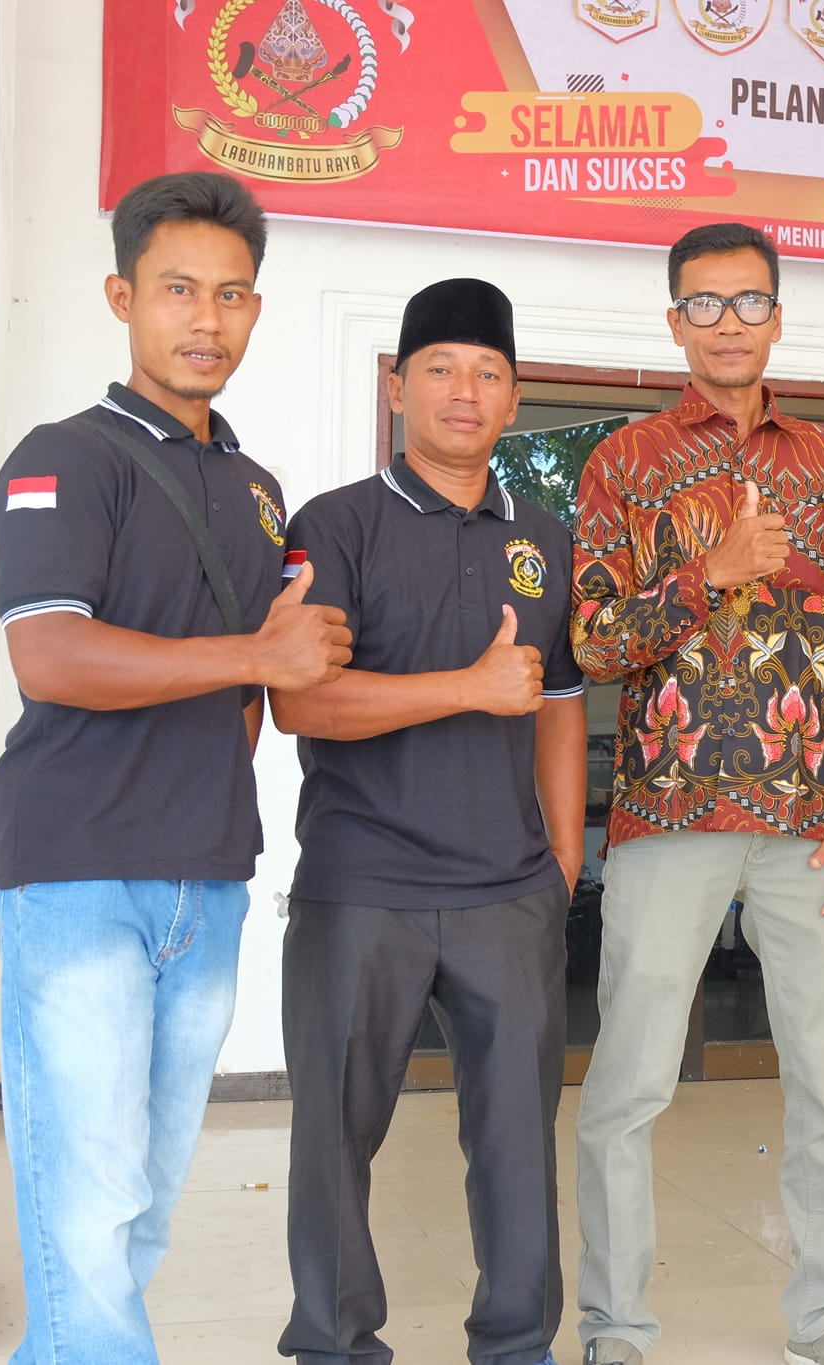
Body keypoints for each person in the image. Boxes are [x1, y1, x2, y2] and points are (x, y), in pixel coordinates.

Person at [0, 170, 352, 1365]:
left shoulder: (255, 489)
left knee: (136, 1203)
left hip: (207, 872)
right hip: (79, 869)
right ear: (122, 297)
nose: (207, 319)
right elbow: (49, 655)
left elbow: (249, 695)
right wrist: (258, 654)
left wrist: (262, 678)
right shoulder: (63, 457)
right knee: (88, 1200)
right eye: (179, 290)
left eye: (232, 295)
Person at [568, 222, 824, 1365]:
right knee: (628, 1085)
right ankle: (615, 1324)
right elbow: (593, 643)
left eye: (747, 301)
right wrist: (707, 576)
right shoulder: (624, 462)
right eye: (703, 303)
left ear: (776, 317)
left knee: (823, 1083)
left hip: (810, 825)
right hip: (666, 816)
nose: (727, 323)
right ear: (674, 322)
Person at [268, 279, 586, 1365]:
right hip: (363, 887)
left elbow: (557, 701)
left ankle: (516, 1345)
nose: (465, 390)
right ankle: (333, 1345)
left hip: (507, 892)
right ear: (397, 388)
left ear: (513, 399)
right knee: (333, 1140)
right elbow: (300, 703)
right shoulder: (336, 526)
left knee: (516, 1148)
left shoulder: (542, 536)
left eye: (488, 373)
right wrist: (466, 688)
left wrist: (561, 853)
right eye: (440, 369)